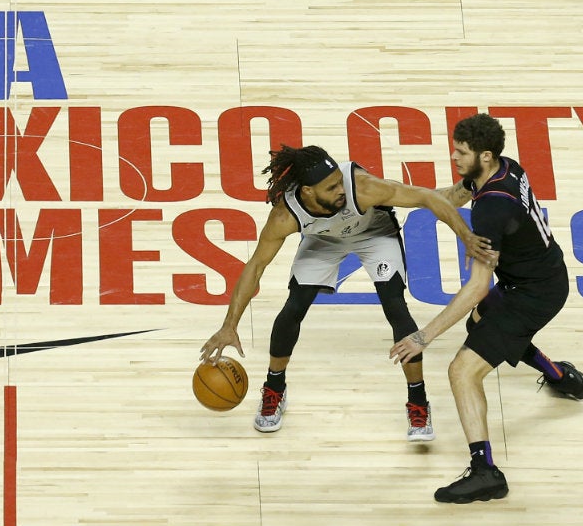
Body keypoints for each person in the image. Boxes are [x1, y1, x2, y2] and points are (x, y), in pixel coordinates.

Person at [200, 144, 494, 440]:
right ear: (307, 192)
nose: (341, 188)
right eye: (331, 187)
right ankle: (275, 386)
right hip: (324, 241)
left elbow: (426, 197)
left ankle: (418, 401)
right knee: (294, 307)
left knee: (395, 306)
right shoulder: (285, 216)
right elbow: (255, 268)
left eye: (340, 180)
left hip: (374, 234)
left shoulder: (362, 188)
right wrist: (229, 325)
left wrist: (465, 235)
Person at [389, 113, 583, 503]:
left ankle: (486, 472)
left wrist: (422, 336)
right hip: (536, 276)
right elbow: (452, 196)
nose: (453, 155)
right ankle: (560, 376)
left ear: (483, 154)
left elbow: (478, 286)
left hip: (535, 294)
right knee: (480, 325)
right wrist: (396, 199)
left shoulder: (492, 210)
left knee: (462, 371)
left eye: (461, 152)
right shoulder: (503, 168)